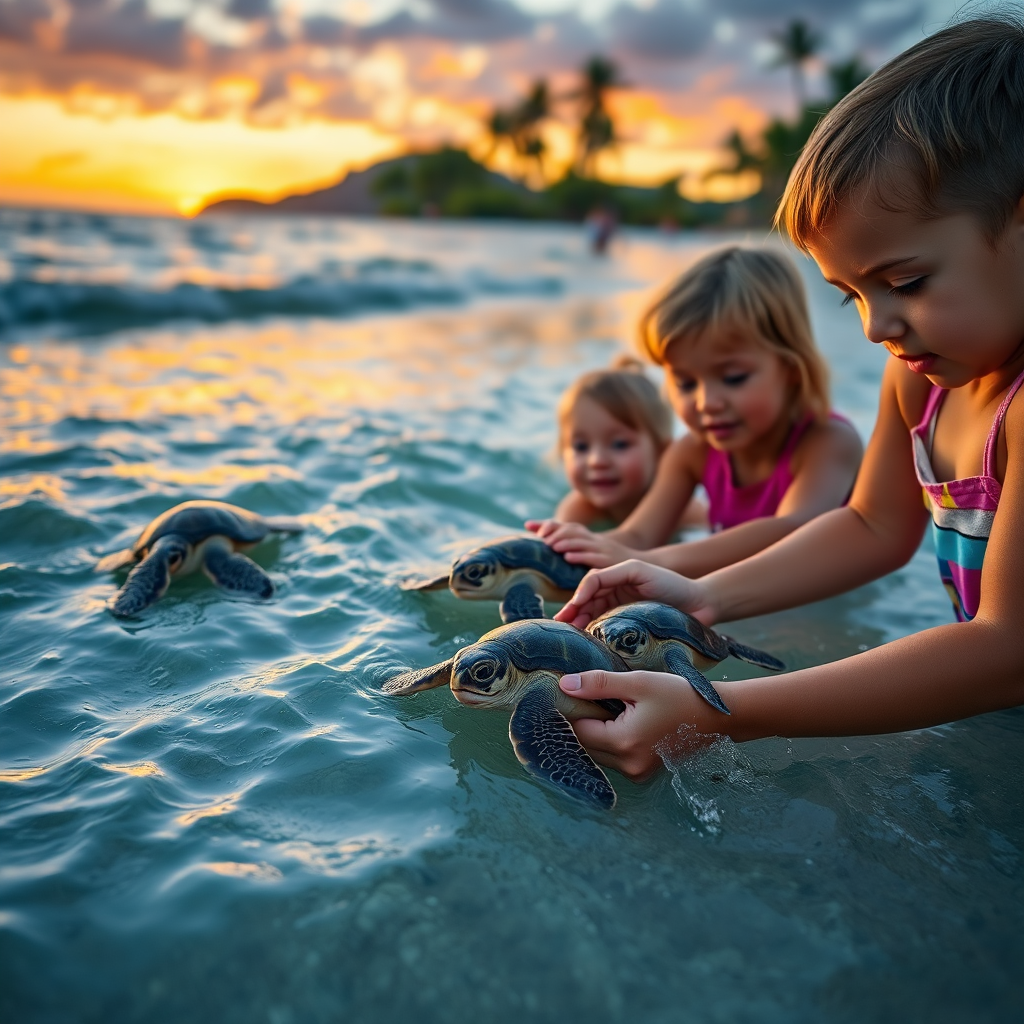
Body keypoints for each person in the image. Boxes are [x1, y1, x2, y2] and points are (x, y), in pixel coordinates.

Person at [549, 15, 1024, 782]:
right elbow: (870, 526)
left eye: (905, 283)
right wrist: (700, 595)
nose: (878, 325)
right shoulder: (921, 379)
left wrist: (727, 713)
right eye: (851, 297)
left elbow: (1008, 649)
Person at [528, 246, 862, 578]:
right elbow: (638, 536)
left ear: (790, 367)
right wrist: (573, 549)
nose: (707, 403)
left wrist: (647, 560)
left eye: (733, 378)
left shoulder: (829, 442)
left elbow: (791, 531)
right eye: (687, 384)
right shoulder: (691, 452)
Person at [553, 359, 681, 528]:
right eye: (581, 447)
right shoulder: (577, 512)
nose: (597, 461)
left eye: (620, 444)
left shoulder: (682, 510)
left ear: (662, 452)